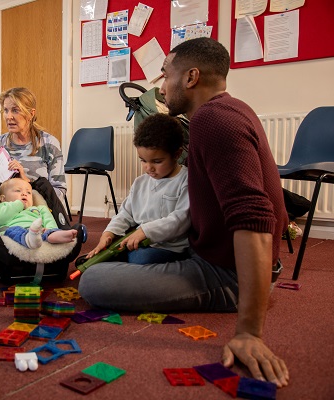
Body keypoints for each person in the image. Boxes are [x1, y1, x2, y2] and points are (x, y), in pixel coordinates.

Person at [78, 38, 289, 388]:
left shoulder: (212, 120)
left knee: (94, 281)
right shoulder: (233, 109)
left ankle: (242, 297)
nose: (161, 87)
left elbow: (254, 214)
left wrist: (249, 331)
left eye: (165, 74)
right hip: (220, 257)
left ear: (190, 77)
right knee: (131, 258)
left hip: (225, 275)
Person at [85, 113, 189, 264]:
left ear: (177, 154)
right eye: (143, 160)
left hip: (168, 248)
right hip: (138, 242)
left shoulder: (185, 180)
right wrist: (109, 232)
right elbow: (125, 213)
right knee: (102, 258)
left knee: (140, 259)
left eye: (157, 161)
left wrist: (145, 231)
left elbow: (179, 221)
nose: (148, 168)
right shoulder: (140, 182)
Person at [0, 87, 67, 202]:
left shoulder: (49, 144)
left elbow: (59, 190)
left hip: (37, 212)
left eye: (15, 110)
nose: (9, 117)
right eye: (6, 110)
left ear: (30, 114)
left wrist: (26, 197)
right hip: (2, 210)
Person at [0, 178, 77, 249]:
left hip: (39, 232)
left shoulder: (39, 208)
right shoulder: (2, 206)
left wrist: (50, 229)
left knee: (48, 232)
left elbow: (49, 220)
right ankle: (29, 239)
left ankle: (57, 236)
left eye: (29, 192)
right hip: (13, 232)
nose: (24, 194)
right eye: (18, 190)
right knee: (13, 230)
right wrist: (18, 204)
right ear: (3, 198)